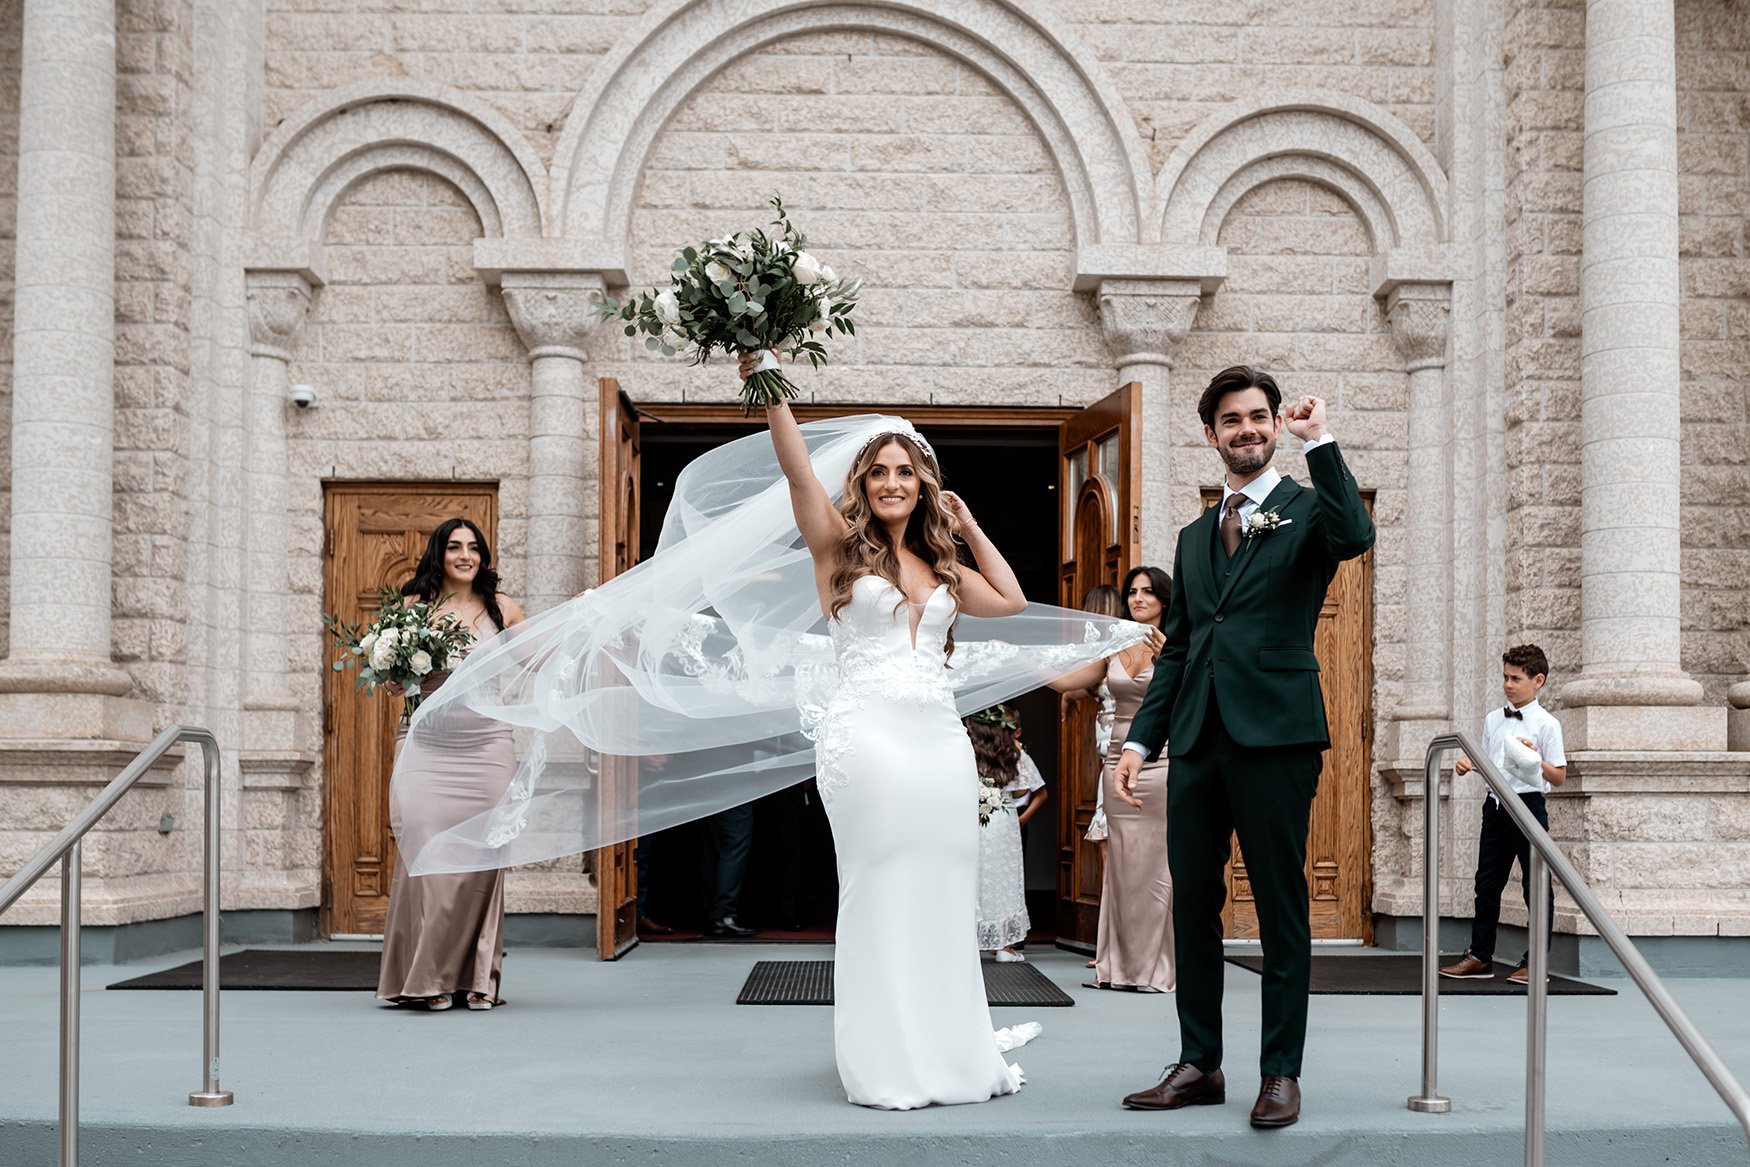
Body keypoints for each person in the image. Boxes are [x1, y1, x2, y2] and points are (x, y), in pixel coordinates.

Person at [752, 351, 1046, 1109]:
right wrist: (768, 379)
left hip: (938, 743)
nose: (891, 482)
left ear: (923, 485)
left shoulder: (941, 567)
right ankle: (885, 1057)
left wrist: (970, 524)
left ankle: (946, 1046)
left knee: (944, 888)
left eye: (905, 472)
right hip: (866, 739)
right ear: (863, 481)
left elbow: (1011, 600)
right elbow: (796, 474)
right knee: (880, 885)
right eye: (879, 470)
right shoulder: (836, 549)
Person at [1113, 366, 1374, 1129]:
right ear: (1211, 434)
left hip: (1276, 738)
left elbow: (1355, 537)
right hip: (1196, 741)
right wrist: (1140, 740)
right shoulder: (1194, 536)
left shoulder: (1305, 507)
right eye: (1232, 420)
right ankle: (1199, 1062)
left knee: (1280, 903)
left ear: (1273, 424)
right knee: (1192, 901)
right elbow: (1182, 647)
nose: (1248, 430)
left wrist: (1319, 441)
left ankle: (1281, 1071)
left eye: (1259, 417)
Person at [376, 518, 526, 1012]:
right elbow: (388, 681)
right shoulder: (411, 608)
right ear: (439, 553)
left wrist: (583, 616)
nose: (466, 555)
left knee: (483, 862)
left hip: (487, 750)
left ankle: (479, 977)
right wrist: (395, 675)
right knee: (427, 859)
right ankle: (427, 977)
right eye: (456, 547)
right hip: (426, 749)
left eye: (474, 547)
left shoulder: (502, 609)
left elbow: (536, 659)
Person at [1051, 567, 1175, 993]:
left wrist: (1171, 657)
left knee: (1156, 865)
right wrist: (1018, 662)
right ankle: (1117, 966)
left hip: (1161, 761)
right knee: (1120, 862)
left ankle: (1154, 968)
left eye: (1147, 592)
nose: (1138, 598)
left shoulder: (1177, 643)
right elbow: (1072, 681)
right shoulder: (1115, 645)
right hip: (1115, 762)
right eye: (1132, 592)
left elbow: (1195, 692)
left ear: (1163, 599)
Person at [1439, 644, 1567, 986]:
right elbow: (1490, 763)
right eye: (1505, 677)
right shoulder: (1494, 719)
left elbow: (1558, 776)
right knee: (1486, 885)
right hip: (1495, 807)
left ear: (1538, 680)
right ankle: (1481, 956)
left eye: (1516, 678)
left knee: (1535, 887)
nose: (1508, 684)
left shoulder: (1548, 725)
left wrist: (1535, 759)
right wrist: (1470, 765)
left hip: (1528, 807)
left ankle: (1535, 962)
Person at [966, 705, 1046, 963]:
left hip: (974, 818)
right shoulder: (1016, 756)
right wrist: (1021, 818)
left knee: (975, 877)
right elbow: (1032, 792)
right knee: (1004, 880)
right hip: (1003, 819)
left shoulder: (969, 754)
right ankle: (1004, 946)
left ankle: (968, 940)